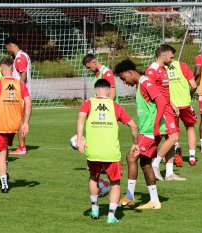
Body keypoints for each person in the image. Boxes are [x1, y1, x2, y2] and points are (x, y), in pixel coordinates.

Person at [76, 79, 138, 223]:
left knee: (93, 177)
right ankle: (111, 215)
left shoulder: (88, 103)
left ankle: (94, 208)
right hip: (111, 153)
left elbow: (81, 118)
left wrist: (80, 139)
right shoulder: (115, 106)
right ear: (109, 90)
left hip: (93, 151)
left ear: (95, 90)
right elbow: (133, 126)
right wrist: (135, 143)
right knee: (115, 183)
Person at [114, 59, 164, 210]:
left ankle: (129, 196)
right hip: (147, 130)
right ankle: (154, 200)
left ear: (130, 72)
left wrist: (155, 125)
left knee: (131, 157)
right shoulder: (139, 85)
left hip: (150, 130)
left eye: (123, 78)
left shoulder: (145, 83)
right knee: (145, 163)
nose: (124, 82)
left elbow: (161, 101)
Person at [0, 57, 32, 193]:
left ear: (1, 69)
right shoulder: (21, 85)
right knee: (5, 149)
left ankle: (4, 182)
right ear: (12, 69)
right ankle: (5, 172)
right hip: (15, 125)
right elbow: (29, 104)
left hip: (1, 124)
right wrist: (25, 123)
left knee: (1, 153)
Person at [145, 44, 185, 181]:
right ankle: (155, 165)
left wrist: (172, 104)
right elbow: (147, 91)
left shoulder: (163, 69)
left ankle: (169, 173)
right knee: (174, 137)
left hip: (168, 107)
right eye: (171, 57)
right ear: (163, 55)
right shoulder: (152, 70)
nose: (172, 60)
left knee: (171, 139)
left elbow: (164, 91)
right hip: (161, 109)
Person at [166, 60, 199, 166]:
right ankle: (192, 157)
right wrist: (189, 95)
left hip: (171, 105)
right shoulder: (182, 65)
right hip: (185, 104)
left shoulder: (162, 68)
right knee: (190, 127)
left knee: (172, 132)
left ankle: (176, 147)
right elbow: (194, 85)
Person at [5, 37, 32, 155]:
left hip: (21, 96)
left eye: (7, 47)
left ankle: (22, 147)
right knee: (17, 121)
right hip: (23, 95)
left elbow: (23, 74)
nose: (7, 50)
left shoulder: (20, 58)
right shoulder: (23, 55)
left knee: (19, 122)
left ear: (11, 45)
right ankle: (19, 145)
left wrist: (19, 91)